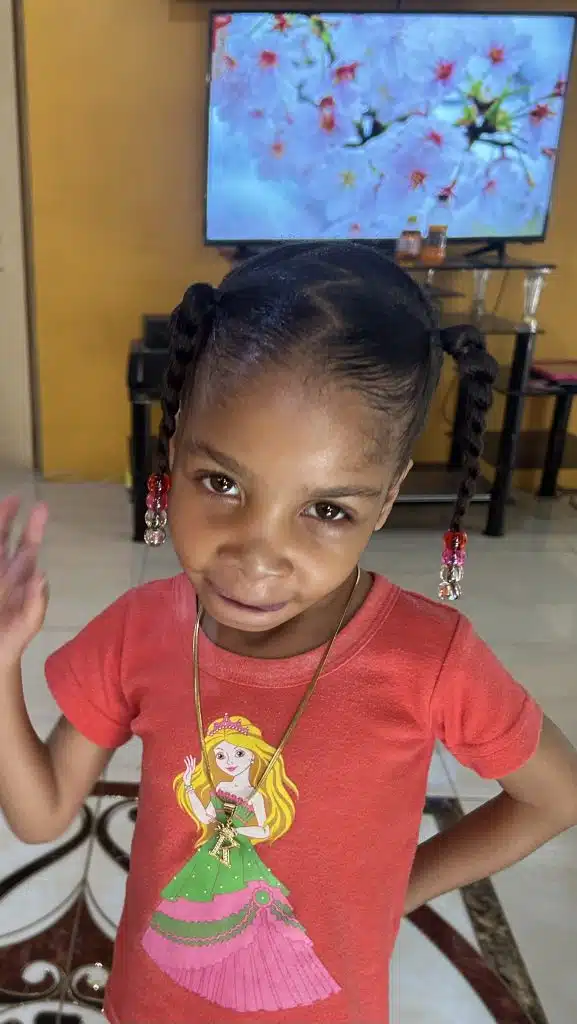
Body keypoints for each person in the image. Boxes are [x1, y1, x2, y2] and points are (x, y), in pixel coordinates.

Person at [0, 242, 576, 1024]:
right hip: (152, 1003)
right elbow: (38, 815)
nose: (257, 557)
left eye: (327, 509)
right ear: (174, 449)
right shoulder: (140, 629)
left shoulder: (429, 659)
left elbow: (553, 797)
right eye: (221, 482)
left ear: (386, 500)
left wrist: (399, 888)